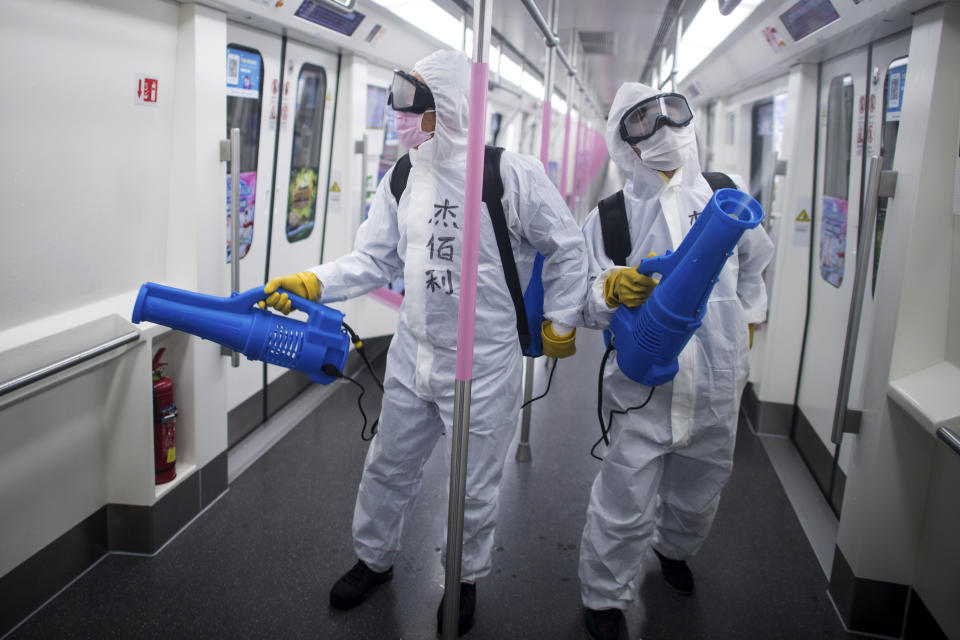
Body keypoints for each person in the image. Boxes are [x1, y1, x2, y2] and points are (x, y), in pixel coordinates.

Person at [261, 50, 587, 636]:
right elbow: (375, 257)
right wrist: (315, 283)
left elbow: (565, 247)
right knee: (388, 464)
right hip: (415, 353)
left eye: (411, 106)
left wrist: (562, 316)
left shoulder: (510, 174)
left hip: (484, 362)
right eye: (396, 103)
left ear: (449, 107)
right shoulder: (404, 175)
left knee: (472, 484)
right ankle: (374, 558)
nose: (399, 118)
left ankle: (461, 577)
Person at [577, 83, 775, 640]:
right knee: (624, 497)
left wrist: (746, 320)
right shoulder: (611, 218)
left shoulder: (722, 194)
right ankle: (604, 597)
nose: (663, 128)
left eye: (671, 112)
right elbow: (581, 296)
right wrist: (610, 289)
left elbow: (757, 262)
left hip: (716, 382)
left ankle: (674, 549)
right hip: (642, 388)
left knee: (702, 486)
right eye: (642, 121)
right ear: (625, 143)